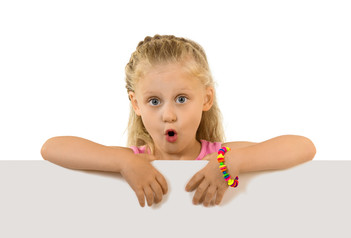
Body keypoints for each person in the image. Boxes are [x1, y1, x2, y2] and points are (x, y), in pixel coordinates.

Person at [41, 34, 316, 208]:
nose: (168, 114)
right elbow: (52, 147)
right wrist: (124, 162)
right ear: (136, 104)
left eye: (182, 99)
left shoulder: (219, 156)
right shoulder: (136, 160)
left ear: (206, 99)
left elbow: (303, 146)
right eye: (154, 101)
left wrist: (232, 162)